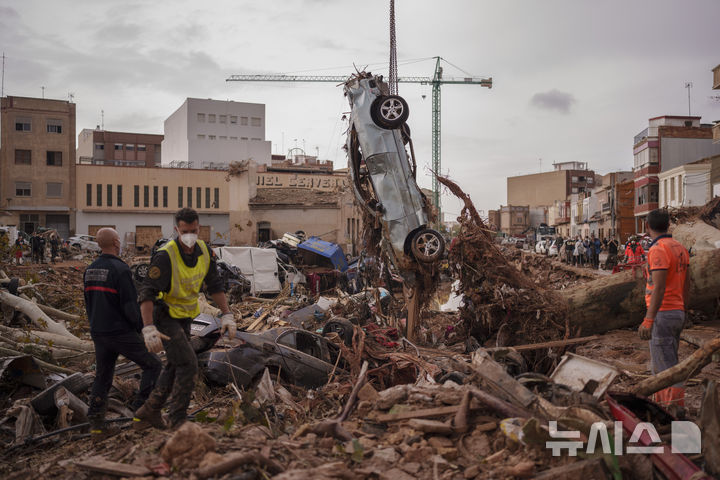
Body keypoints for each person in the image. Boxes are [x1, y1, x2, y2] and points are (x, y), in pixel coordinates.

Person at [134, 208, 235, 430]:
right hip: (164, 316)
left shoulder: (204, 251)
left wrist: (227, 313)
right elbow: (146, 293)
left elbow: (215, 285)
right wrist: (148, 327)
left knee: (174, 363)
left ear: (199, 229)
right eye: (185, 231)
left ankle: (149, 409)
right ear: (177, 230)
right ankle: (177, 419)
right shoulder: (165, 255)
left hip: (185, 317)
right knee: (189, 363)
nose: (190, 235)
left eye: (194, 230)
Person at [84, 228, 162, 441]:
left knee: (103, 375)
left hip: (98, 331)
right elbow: (129, 307)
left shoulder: (90, 270)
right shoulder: (120, 269)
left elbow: (88, 303)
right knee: (153, 364)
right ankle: (141, 413)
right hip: (119, 331)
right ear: (117, 243)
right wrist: (143, 329)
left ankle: (97, 427)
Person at [638, 209, 690, 410]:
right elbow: (687, 283)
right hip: (676, 312)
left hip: (662, 313)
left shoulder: (658, 249)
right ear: (668, 225)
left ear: (647, 226)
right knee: (668, 361)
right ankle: (662, 406)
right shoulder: (679, 247)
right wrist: (684, 309)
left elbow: (659, 287)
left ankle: (674, 408)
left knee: (665, 366)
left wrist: (649, 320)